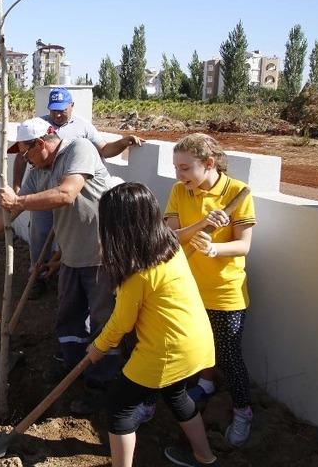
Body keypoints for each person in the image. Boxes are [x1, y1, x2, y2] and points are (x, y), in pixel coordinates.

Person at [0, 117, 123, 414]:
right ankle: (75, 369)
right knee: (69, 318)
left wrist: (18, 203)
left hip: (101, 256)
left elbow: (66, 193)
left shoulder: (79, 149)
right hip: (71, 256)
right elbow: (10, 209)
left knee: (103, 323)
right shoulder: (40, 171)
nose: (25, 161)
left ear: (41, 144)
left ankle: (101, 385)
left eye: (25, 153)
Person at [84, 182, 219, 467]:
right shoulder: (170, 247)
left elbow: (121, 323)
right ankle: (205, 458)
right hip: (196, 343)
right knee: (176, 395)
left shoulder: (138, 273)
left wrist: (97, 348)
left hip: (166, 352)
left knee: (119, 408)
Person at [164, 133, 257, 447]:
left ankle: (243, 411)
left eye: (186, 168)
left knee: (229, 357)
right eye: (176, 168)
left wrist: (215, 250)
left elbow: (244, 245)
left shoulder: (237, 192)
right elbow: (172, 237)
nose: (179, 175)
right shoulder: (179, 191)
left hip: (225, 292)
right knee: (195, 348)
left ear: (209, 163)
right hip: (188, 288)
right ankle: (205, 384)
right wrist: (202, 225)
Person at [11, 87, 144, 299]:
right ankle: (37, 277)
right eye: (53, 110)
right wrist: (16, 187)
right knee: (39, 234)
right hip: (45, 189)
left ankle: (66, 274)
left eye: (62, 110)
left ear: (71, 106)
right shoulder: (40, 126)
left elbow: (103, 149)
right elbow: (21, 157)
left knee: (72, 237)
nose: (57, 115)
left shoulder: (83, 127)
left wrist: (122, 142)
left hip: (73, 191)